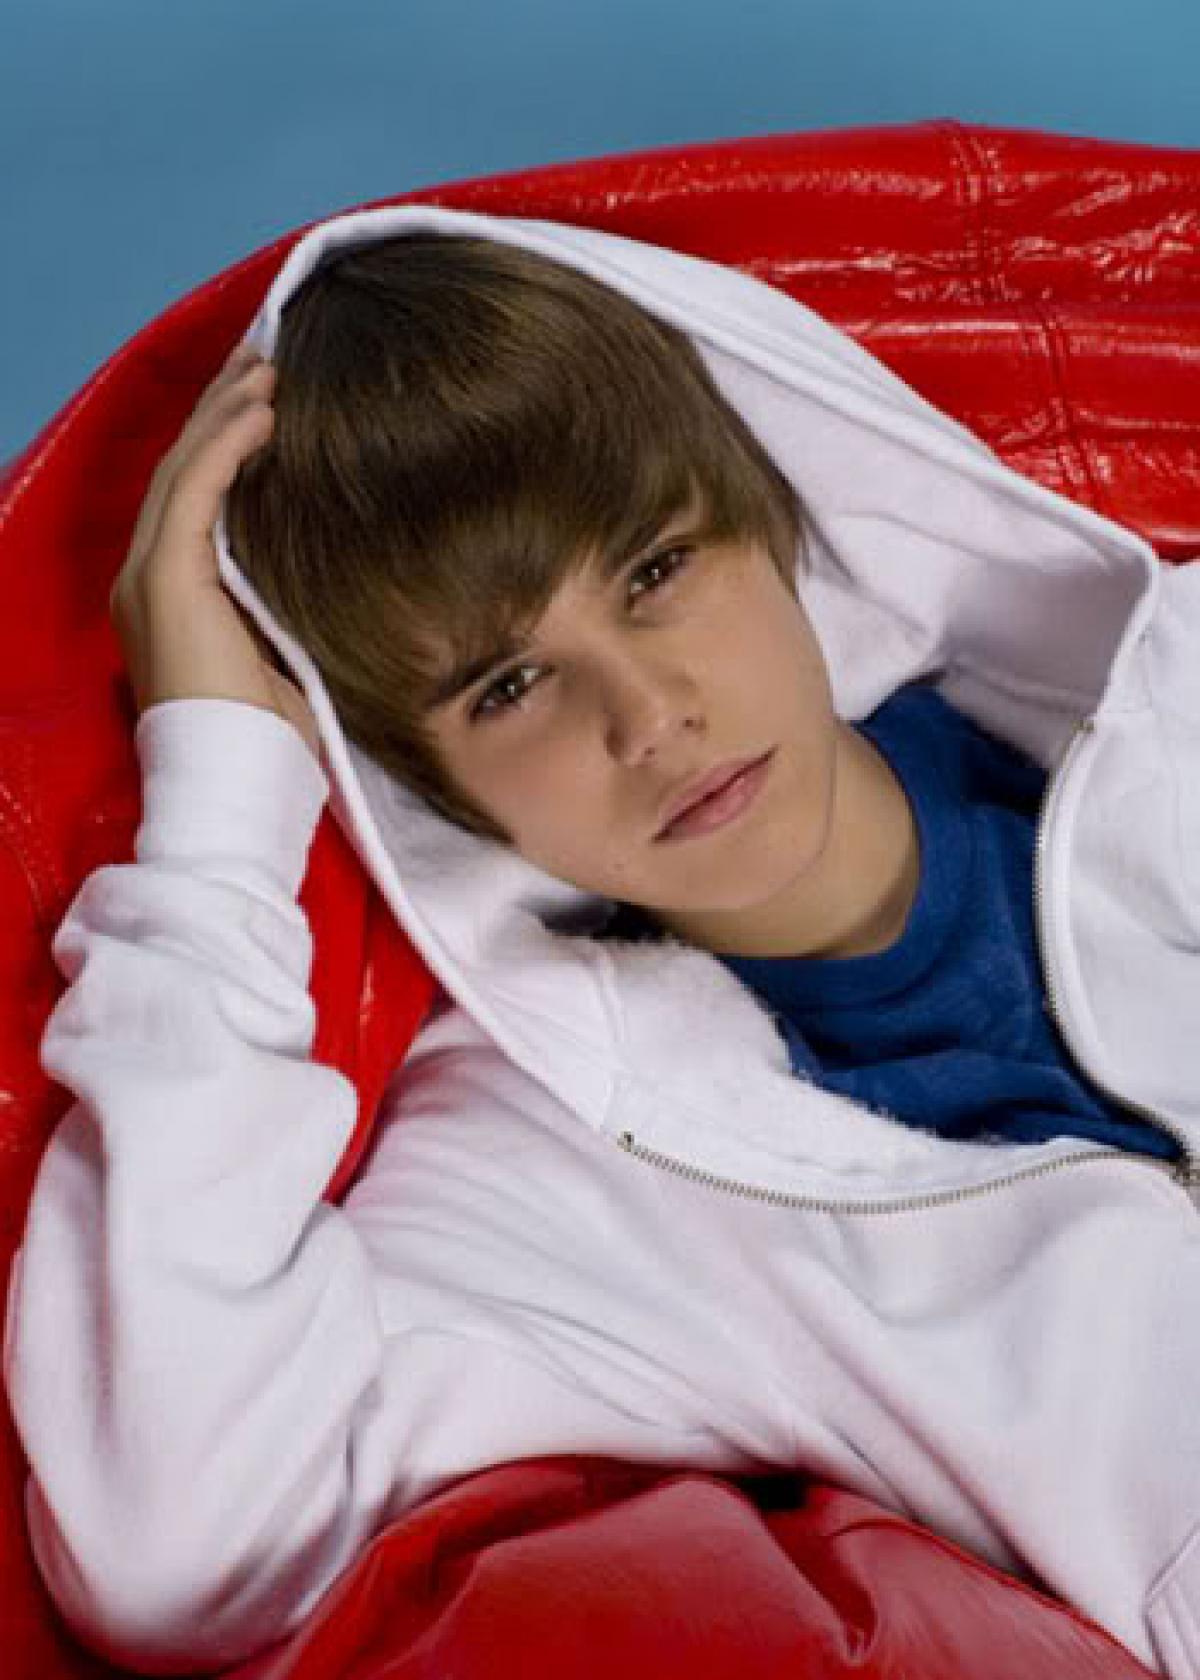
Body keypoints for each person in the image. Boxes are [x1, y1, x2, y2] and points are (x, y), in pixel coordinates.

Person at [4, 205, 1199, 1679]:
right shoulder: (574, 1160)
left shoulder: (1172, 702)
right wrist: (217, 802)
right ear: (426, 782)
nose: (648, 717)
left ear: (771, 517)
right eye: (508, 686)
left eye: (653, 571)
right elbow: (187, 1552)